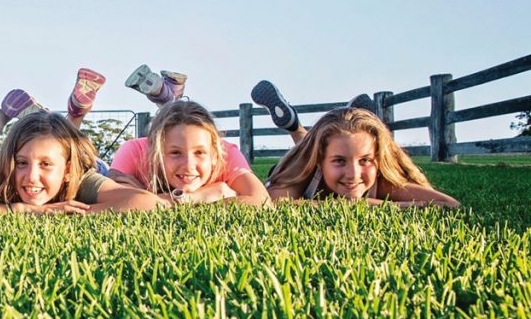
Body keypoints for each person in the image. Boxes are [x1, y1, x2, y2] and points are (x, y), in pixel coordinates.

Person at [0, 111, 162, 214]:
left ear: (67, 170)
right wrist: (24, 210)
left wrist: (74, 212)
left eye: (45, 164)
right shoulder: (2, 169)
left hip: (93, 164)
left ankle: (74, 118)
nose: (31, 176)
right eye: (22, 163)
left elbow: (150, 202)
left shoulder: (82, 178)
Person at [264, 106, 460, 206]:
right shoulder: (303, 171)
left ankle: (298, 128)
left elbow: (450, 205)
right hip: (303, 166)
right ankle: (295, 129)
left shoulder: (380, 182)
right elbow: (274, 204)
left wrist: (364, 203)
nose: (353, 174)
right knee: (306, 147)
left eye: (365, 160)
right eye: (339, 161)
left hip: (321, 153)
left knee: (327, 142)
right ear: (320, 163)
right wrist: (369, 205)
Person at [108, 99, 270, 206]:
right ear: (156, 153)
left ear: (214, 154)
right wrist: (207, 196)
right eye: (175, 153)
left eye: (199, 152)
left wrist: (189, 199)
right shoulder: (134, 151)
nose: (189, 165)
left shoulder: (226, 153)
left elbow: (262, 202)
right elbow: (110, 202)